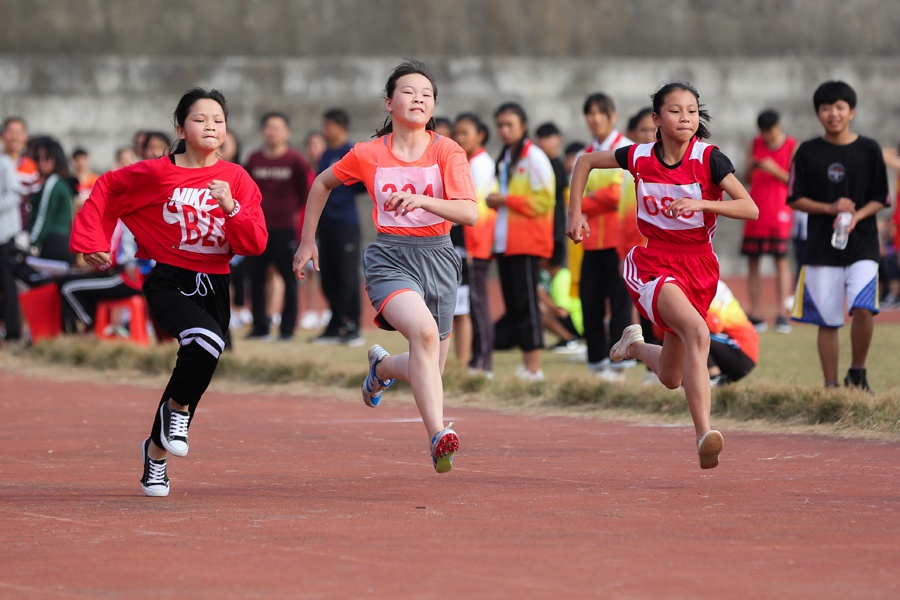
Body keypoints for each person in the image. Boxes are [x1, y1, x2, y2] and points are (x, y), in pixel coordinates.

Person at [70, 88, 267, 497]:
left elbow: (255, 242)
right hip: (170, 279)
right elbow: (108, 188)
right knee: (206, 341)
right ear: (180, 127)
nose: (211, 126)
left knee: (202, 357)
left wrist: (231, 208)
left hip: (215, 282)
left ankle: (155, 454)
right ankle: (176, 414)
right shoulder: (158, 172)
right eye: (200, 119)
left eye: (218, 120)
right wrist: (93, 238)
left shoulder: (237, 179)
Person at [292, 60, 477, 473]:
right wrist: (308, 241)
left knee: (430, 365)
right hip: (391, 258)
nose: (418, 99)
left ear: (433, 108)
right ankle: (437, 435)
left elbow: (470, 212)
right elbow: (322, 183)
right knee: (425, 335)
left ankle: (381, 368)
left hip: (440, 257)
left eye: (427, 95)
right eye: (409, 92)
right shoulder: (367, 153)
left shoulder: (448, 150)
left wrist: (423, 201)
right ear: (389, 102)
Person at [568, 81, 758, 469]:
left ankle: (634, 346)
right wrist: (574, 213)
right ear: (656, 119)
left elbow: (749, 208)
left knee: (672, 377)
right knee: (698, 332)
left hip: (699, 266)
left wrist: (701, 203)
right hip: (654, 263)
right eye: (675, 110)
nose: (685, 117)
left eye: (691, 110)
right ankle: (704, 434)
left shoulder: (710, 159)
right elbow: (584, 163)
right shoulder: (638, 157)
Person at [787, 80, 889, 393]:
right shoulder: (807, 151)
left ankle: (857, 372)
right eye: (826, 108)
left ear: (852, 111)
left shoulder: (869, 148)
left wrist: (856, 215)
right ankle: (831, 386)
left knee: (863, 307)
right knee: (828, 320)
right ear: (818, 113)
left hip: (863, 245)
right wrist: (830, 207)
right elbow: (794, 197)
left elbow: (881, 197)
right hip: (820, 248)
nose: (834, 113)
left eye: (840, 107)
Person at [488, 102, 555, 381]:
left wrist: (506, 200)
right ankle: (527, 364)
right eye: (500, 125)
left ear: (523, 126)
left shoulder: (534, 157)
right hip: (506, 243)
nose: (504, 130)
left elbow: (544, 199)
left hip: (526, 242)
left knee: (527, 306)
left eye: (509, 125)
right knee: (515, 306)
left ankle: (533, 367)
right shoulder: (505, 157)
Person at [575, 93, 634, 381]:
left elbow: (614, 196)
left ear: (612, 116)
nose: (594, 118)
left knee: (620, 302)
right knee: (590, 300)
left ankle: (621, 363)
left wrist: (586, 200)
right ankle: (597, 360)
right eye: (590, 113)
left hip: (617, 239)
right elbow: (586, 196)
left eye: (600, 113)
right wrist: (592, 199)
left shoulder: (624, 148)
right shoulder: (584, 153)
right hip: (591, 239)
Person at [244, 111, 309, 341]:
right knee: (256, 279)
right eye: (269, 127)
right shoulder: (253, 159)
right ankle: (260, 327)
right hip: (257, 229)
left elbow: (305, 193)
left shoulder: (295, 160)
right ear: (263, 131)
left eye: (278, 127)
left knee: (289, 279)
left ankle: (287, 329)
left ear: (287, 132)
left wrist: (289, 211)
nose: (273, 132)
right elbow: (245, 190)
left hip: (284, 229)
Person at [740, 110, 798, 333]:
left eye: (771, 132)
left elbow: (795, 180)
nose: (768, 137)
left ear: (779, 126)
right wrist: (752, 167)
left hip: (780, 209)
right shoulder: (753, 143)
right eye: (764, 133)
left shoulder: (793, 146)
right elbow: (746, 178)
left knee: (780, 261)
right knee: (752, 260)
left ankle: (782, 313)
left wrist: (774, 169)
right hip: (756, 207)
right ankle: (755, 312)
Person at [311, 109, 364, 346]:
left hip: (346, 225)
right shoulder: (325, 155)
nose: (325, 131)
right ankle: (335, 324)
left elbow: (363, 184)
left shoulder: (350, 152)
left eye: (329, 126)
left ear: (341, 127)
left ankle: (352, 326)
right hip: (327, 225)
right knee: (328, 277)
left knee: (348, 277)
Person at [455, 112, 496, 376]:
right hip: (470, 244)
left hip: (476, 244)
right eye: (457, 133)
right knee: (472, 302)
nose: (459, 138)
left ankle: (483, 363)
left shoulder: (481, 164)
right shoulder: (470, 161)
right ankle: (476, 361)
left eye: (464, 133)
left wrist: (469, 247)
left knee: (478, 303)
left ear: (479, 135)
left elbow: (474, 209)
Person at [29, 137, 75, 264]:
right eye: (38, 158)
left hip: (52, 243)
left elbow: (43, 217)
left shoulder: (52, 183)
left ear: (56, 159)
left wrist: (31, 242)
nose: (41, 163)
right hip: (63, 242)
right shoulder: (60, 182)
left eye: (47, 158)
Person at [705, 280, 758, 386]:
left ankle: (714, 378)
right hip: (734, 345)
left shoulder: (713, 285)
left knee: (691, 334)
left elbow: (715, 324)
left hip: (741, 349)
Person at [536, 122, 569, 267]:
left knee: (554, 268)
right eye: (541, 138)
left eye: (548, 137)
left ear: (558, 139)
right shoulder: (537, 164)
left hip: (556, 225)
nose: (545, 142)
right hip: (539, 225)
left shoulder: (559, 166)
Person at [0, 152, 23, 344]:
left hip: (4, 237)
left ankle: (13, 331)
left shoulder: (4, 162)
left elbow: (14, 195)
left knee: (8, 285)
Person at [539, 255, 584, 354]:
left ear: (547, 260)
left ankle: (570, 340)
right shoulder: (558, 275)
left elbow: (562, 312)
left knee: (539, 309)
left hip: (578, 323)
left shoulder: (562, 277)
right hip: (577, 321)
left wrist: (542, 296)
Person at [3, 117, 41, 230]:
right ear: (3, 135)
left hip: (22, 229)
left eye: (18, 132)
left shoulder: (32, 167)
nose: (14, 136)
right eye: (10, 131)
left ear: (25, 137)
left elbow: (35, 200)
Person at [71, 147, 99, 212]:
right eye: (77, 160)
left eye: (83, 159)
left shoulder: (95, 179)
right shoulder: (70, 181)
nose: (80, 163)